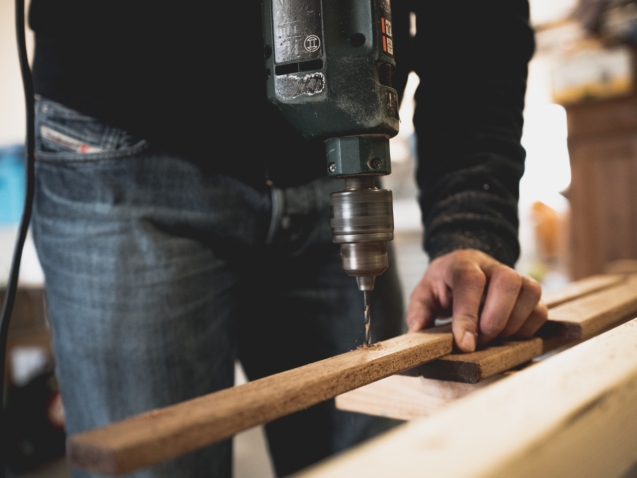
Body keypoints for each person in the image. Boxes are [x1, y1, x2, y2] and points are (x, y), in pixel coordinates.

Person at [27, 0, 546, 476]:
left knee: (377, 461)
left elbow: (481, 21)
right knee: (152, 459)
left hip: (325, 162)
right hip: (122, 142)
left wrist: (470, 223)